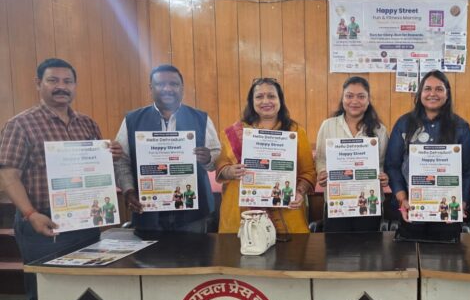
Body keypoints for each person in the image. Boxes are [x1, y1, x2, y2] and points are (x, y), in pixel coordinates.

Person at [0, 58, 122, 300]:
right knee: (45, 296)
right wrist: (30, 214)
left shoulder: (87, 124)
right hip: (43, 226)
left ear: (75, 86)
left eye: (67, 81)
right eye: (53, 80)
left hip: (85, 225)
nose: (61, 87)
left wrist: (111, 155)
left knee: (87, 294)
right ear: (38, 83)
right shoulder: (20, 125)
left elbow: (97, 170)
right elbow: (9, 175)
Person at [114, 64, 221, 233]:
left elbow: (216, 156)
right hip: (147, 210)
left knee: (195, 251)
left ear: (182, 88)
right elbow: (121, 161)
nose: (167, 89)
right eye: (160, 84)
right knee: (150, 251)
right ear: (151, 88)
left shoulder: (201, 118)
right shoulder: (132, 120)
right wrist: (128, 190)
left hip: (192, 213)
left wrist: (208, 158)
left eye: (174, 84)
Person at [216, 78, 316, 234]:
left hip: (287, 213)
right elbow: (221, 166)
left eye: (271, 96)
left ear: (280, 100)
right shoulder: (232, 132)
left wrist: (299, 192)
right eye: (259, 97)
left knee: (291, 250)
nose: (265, 101)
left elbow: (308, 171)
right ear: (252, 101)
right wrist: (230, 171)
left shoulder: (295, 131)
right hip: (241, 211)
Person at [385, 70, 470, 235]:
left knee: (446, 251)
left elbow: (468, 171)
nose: (433, 93)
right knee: (410, 250)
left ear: (447, 94)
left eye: (439, 89)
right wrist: (402, 198)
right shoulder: (404, 124)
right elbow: (392, 165)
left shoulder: (460, 127)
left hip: (447, 212)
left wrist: (462, 203)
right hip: (411, 209)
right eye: (427, 89)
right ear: (420, 93)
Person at [315, 76, 389, 232]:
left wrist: (384, 177)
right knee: (336, 245)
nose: (354, 101)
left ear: (368, 100)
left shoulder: (379, 130)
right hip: (338, 201)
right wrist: (322, 173)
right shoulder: (328, 126)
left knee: (369, 245)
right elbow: (321, 159)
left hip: (369, 202)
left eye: (361, 96)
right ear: (342, 98)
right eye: (349, 96)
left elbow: (383, 163)